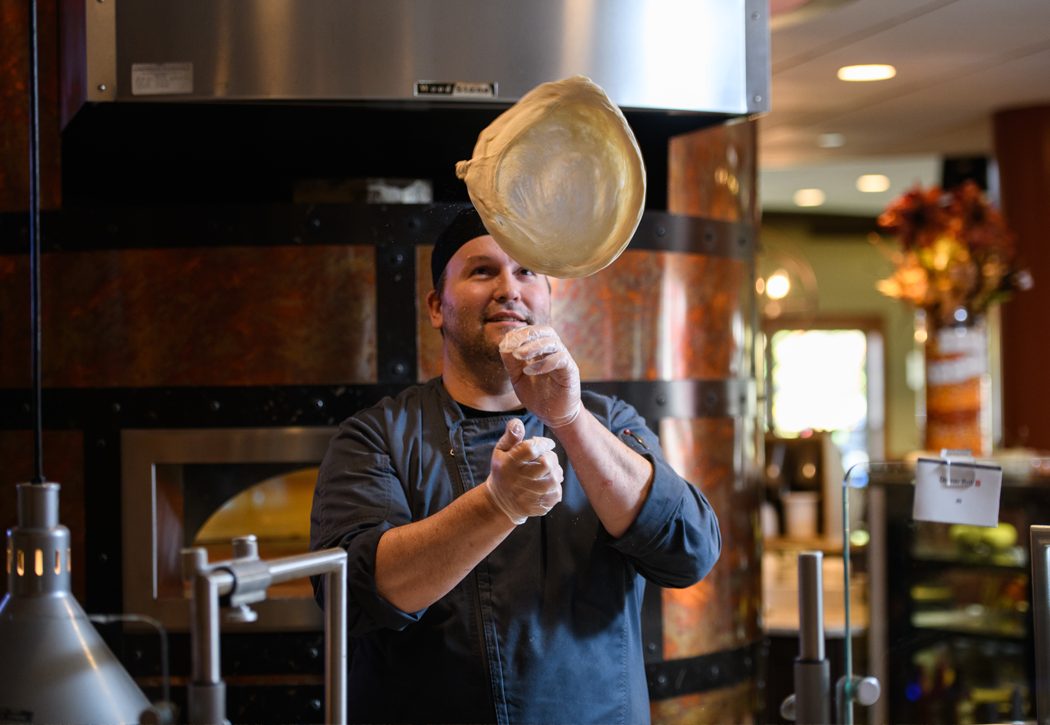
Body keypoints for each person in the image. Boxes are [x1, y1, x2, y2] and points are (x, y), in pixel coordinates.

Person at [310, 206, 721, 725]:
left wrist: (568, 417)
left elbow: (688, 551)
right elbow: (354, 594)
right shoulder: (376, 436)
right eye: (482, 271)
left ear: (548, 298)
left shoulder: (610, 422)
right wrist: (497, 504)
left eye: (527, 271)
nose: (509, 288)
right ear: (437, 307)